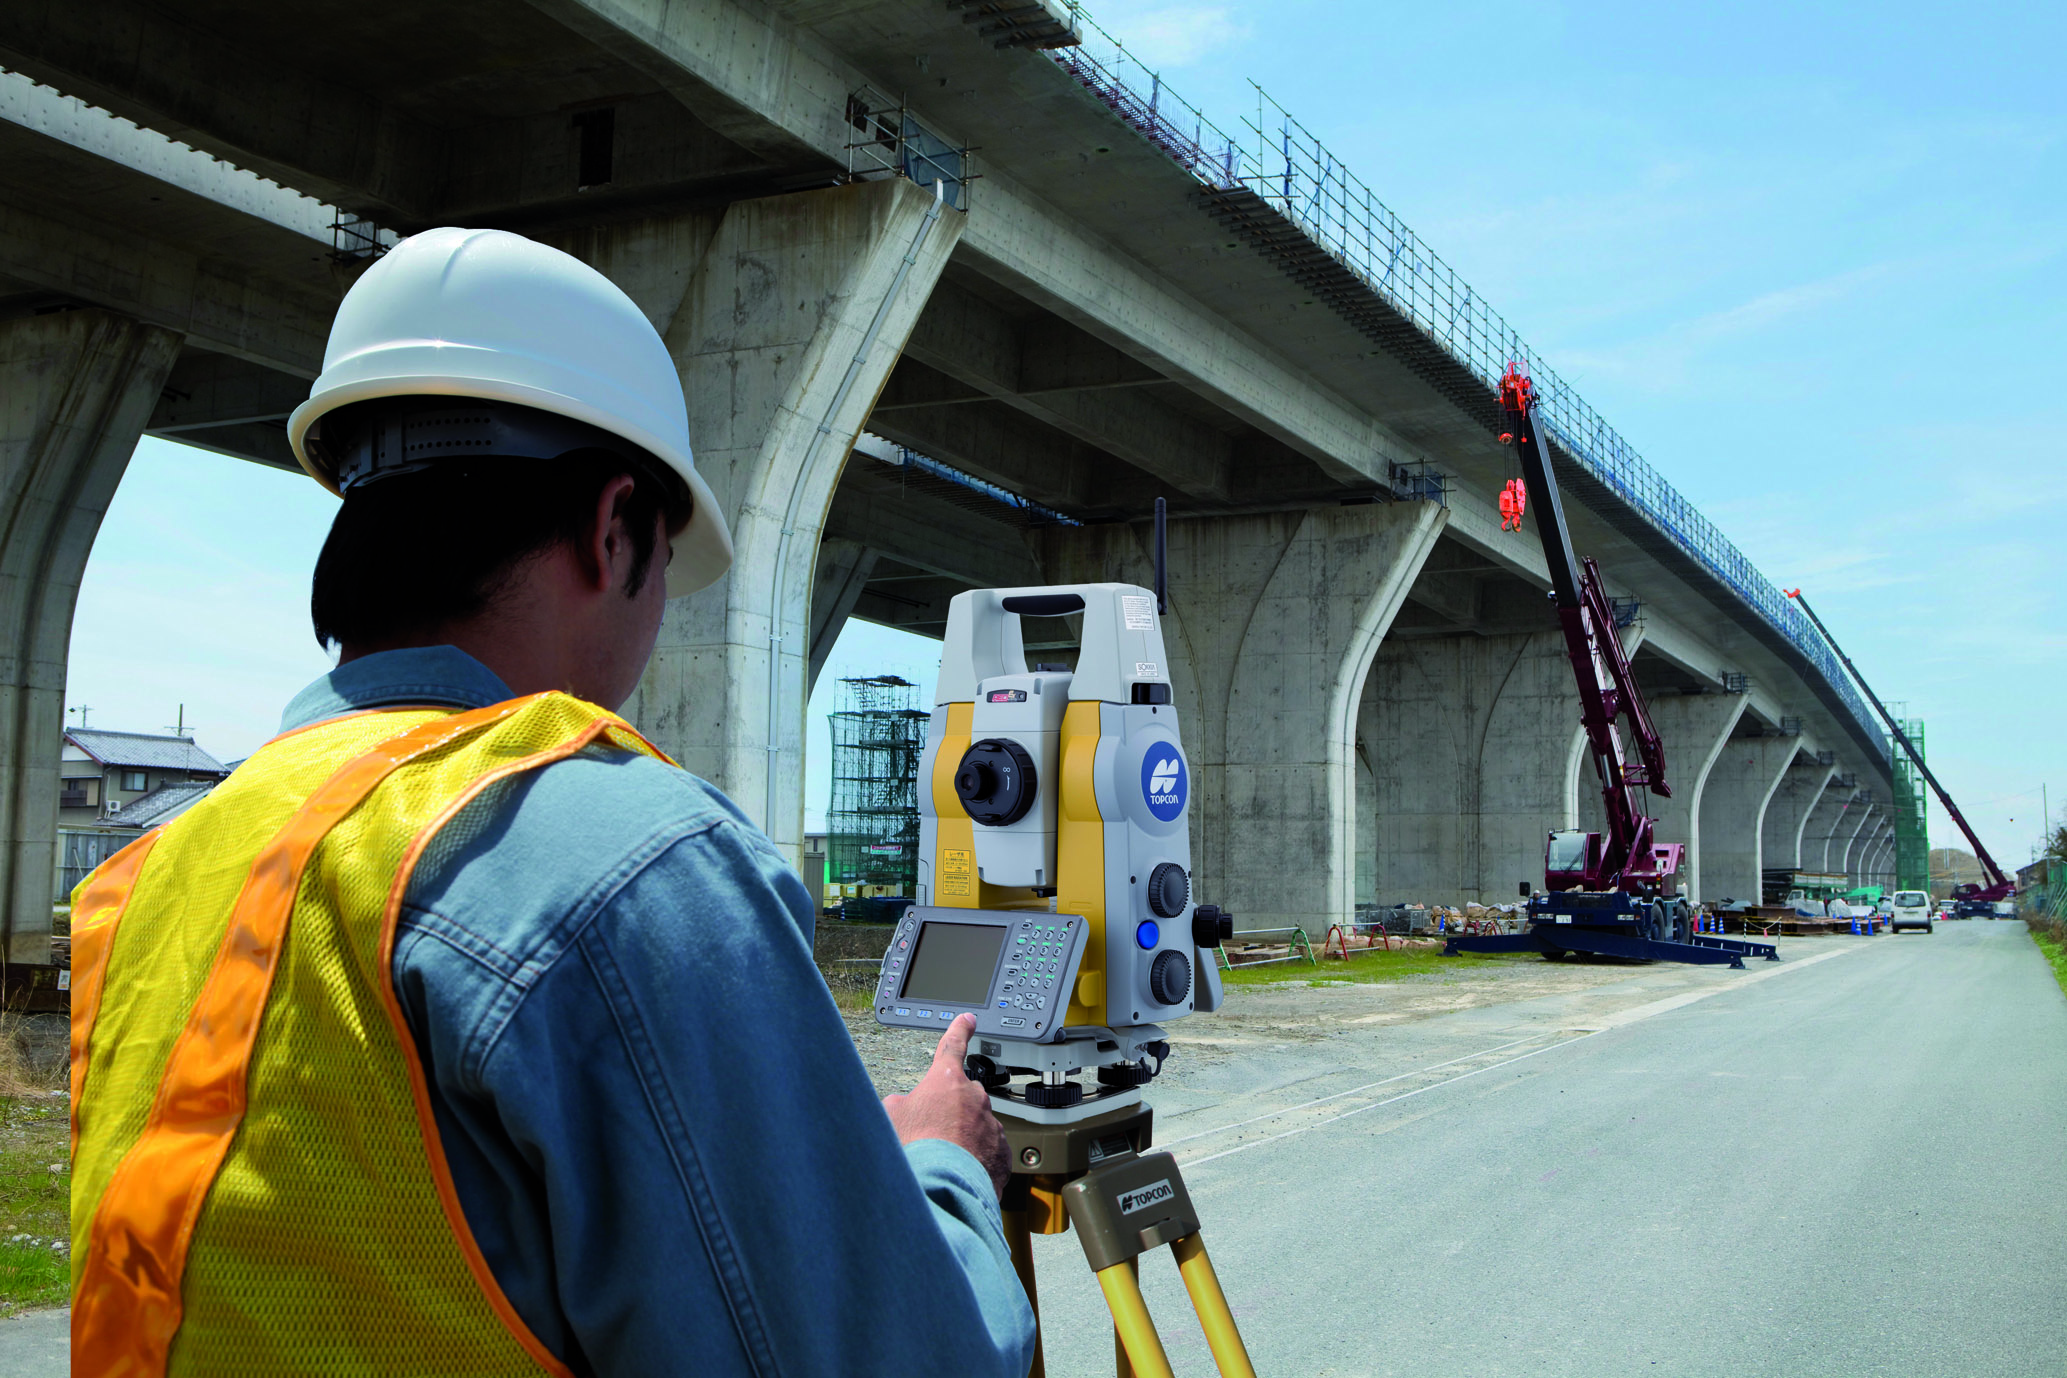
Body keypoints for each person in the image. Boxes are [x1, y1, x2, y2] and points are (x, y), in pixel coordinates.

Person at [69, 227, 1037, 1376]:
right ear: (614, 524)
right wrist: (944, 1168)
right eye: (668, 561)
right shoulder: (626, 861)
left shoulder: (154, 874)